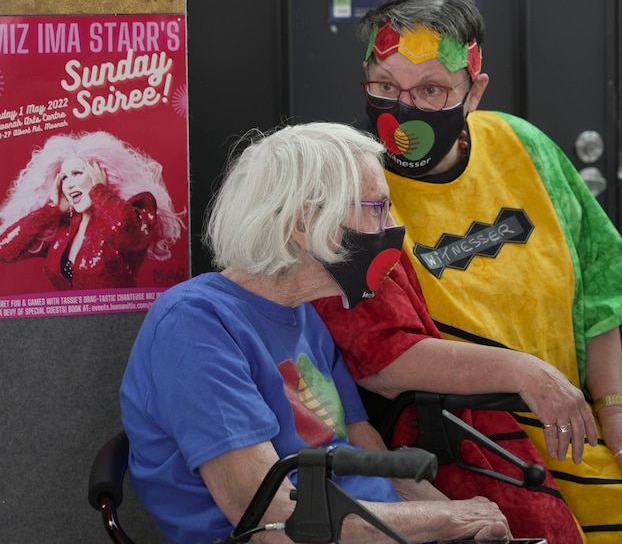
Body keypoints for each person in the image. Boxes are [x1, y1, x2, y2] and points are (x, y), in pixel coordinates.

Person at [312, 0, 622, 543]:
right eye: (385, 86)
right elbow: (381, 358)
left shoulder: (525, 148)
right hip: (466, 451)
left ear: (473, 94)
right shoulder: (351, 188)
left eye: (432, 90)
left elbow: (599, 286)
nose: (405, 109)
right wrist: (523, 372)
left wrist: (615, 410)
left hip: (571, 427)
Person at [119, 122, 511, 544]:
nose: (393, 228)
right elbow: (273, 520)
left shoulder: (304, 314)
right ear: (306, 222)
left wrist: (457, 521)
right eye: (377, 208)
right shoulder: (194, 324)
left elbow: (366, 454)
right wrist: (443, 522)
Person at [0, 131, 183, 290]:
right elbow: (5, 251)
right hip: (65, 327)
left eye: (77, 173)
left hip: (120, 324)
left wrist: (100, 192)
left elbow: (124, 232)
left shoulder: (138, 209)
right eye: (64, 178)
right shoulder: (63, 229)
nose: (69, 184)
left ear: (102, 173)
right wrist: (51, 210)